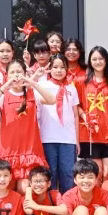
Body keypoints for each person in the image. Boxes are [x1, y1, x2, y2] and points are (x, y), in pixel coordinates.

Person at [0, 59, 55, 193]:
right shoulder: (3, 95)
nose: (16, 75)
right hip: (7, 150)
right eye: (12, 72)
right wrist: (5, 86)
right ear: (7, 75)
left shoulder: (32, 93)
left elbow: (52, 100)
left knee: (24, 189)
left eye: (19, 72)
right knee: (5, 188)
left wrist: (32, 83)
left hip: (28, 149)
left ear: (24, 74)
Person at [37, 53, 80, 193]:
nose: (59, 70)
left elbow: (75, 116)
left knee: (68, 174)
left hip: (68, 139)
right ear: (50, 68)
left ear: (67, 69)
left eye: (62, 67)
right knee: (50, 174)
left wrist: (77, 140)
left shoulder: (72, 89)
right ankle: (52, 208)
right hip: (48, 138)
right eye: (55, 67)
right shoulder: (42, 86)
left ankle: (67, 207)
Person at [76, 46, 108, 183]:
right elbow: (76, 105)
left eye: (101, 58)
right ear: (89, 61)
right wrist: (84, 116)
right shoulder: (81, 81)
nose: (98, 62)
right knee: (96, 172)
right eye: (94, 59)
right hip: (89, 134)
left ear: (106, 60)